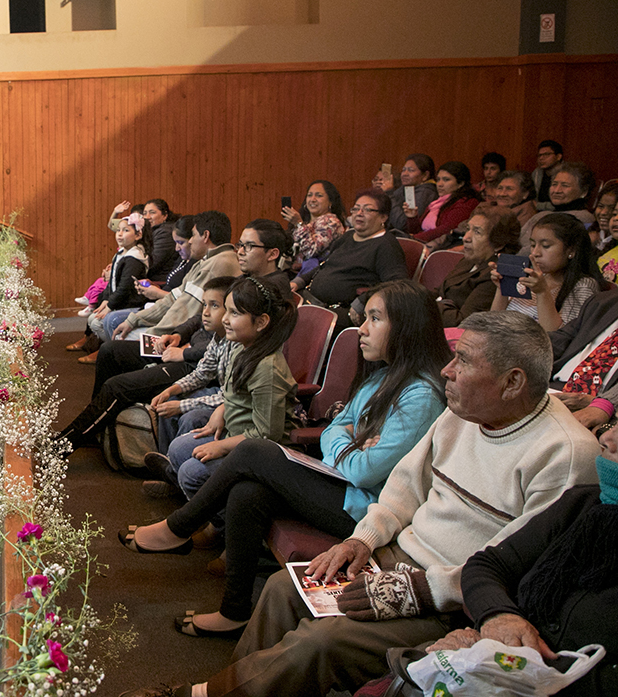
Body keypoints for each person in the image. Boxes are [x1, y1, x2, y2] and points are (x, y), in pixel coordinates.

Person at [120, 312, 599, 697]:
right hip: (395, 557)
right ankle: (230, 688)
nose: (447, 370)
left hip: (449, 599)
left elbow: (515, 564)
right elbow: (405, 487)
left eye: (464, 361)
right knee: (284, 590)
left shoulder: (565, 453)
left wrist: (417, 588)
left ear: (513, 382)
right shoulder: (464, 412)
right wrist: (363, 540)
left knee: (322, 642)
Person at [124, 281, 449, 638]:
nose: (363, 328)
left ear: (407, 326)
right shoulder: (384, 375)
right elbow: (332, 430)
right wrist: (351, 440)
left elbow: (364, 471)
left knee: (253, 451)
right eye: (366, 317)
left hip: (365, 509)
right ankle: (234, 610)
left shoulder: (422, 395)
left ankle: (178, 527)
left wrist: (348, 443)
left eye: (375, 318)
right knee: (248, 492)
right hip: (339, 483)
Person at [419, 425, 618, 697]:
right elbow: (486, 565)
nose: (606, 437)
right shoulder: (585, 502)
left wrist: (509, 659)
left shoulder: (564, 450)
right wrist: (498, 616)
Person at [142, 277, 299, 498]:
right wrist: (222, 409)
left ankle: (212, 517)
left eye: (234, 313)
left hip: (263, 452)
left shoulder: (267, 368)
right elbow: (232, 393)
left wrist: (222, 446)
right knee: (177, 451)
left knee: (190, 473)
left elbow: (266, 434)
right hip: (238, 434)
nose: (225, 318)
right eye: (226, 310)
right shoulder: (240, 347)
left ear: (261, 322)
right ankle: (186, 493)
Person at [56, 277, 237, 451]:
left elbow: (228, 395)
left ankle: (64, 444)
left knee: (116, 386)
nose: (206, 311)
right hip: (184, 349)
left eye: (214, 305)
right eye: (205, 304)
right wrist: (178, 335)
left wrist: (184, 353)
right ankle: (93, 424)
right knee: (110, 349)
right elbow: (197, 323)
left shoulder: (235, 341)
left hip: (188, 360)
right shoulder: (217, 336)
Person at [113, 211, 240, 342]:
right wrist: (134, 320)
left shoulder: (215, 264)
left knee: (116, 333)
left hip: (186, 336)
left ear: (206, 236)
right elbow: (173, 299)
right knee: (116, 326)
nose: (190, 241)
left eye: (193, 235)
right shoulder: (205, 261)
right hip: (177, 330)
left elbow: (185, 311)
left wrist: (150, 336)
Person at [292, 189, 409, 328]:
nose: (359, 213)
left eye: (367, 210)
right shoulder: (348, 236)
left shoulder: (386, 245)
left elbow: (396, 284)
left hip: (343, 310)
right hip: (311, 298)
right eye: (356, 208)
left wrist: (362, 302)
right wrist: (299, 281)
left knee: (295, 323)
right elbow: (326, 265)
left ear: (383, 217)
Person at [490, 212, 602, 332]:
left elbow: (560, 338)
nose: (535, 253)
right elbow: (492, 325)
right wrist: (502, 288)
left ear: (571, 250)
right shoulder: (531, 275)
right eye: (533, 245)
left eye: (546, 246)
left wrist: (542, 293)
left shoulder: (582, 286)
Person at [72, 213, 149, 357]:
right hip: (120, 302)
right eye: (118, 230)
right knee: (93, 319)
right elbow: (111, 282)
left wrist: (110, 306)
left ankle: (114, 351)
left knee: (100, 321)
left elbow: (124, 287)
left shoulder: (134, 258)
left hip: (131, 303)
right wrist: (106, 300)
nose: (119, 234)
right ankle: (110, 349)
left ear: (138, 235)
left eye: (126, 230)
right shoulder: (121, 254)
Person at [435, 204, 519, 327]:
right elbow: (439, 291)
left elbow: (463, 321)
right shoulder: (469, 260)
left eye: (477, 232)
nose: (465, 238)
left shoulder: (497, 274)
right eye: (468, 229)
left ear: (498, 243)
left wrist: (428, 305)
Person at [548, 286, 618, 431]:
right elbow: (557, 341)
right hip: (552, 389)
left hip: (600, 406)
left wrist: (602, 403)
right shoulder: (604, 302)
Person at [520, 161, 597, 253]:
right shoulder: (544, 214)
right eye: (554, 184)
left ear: (584, 192)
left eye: (565, 186)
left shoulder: (581, 218)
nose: (556, 190)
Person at [404, 161, 480, 249]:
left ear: (460, 184)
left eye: (446, 180)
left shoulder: (467, 202)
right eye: (438, 179)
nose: (439, 184)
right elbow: (417, 231)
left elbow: (446, 230)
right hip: (425, 246)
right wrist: (412, 217)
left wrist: (413, 239)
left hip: (443, 249)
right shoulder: (436, 203)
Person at [281, 180, 346, 275]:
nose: (313, 199)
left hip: (317, 276)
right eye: (309, 195)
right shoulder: (306, 221)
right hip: (295, 273)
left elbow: (310, 252)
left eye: (319, 196)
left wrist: (299, 224)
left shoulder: (331, 222)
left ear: (330, 202)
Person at [378, 155, 438, 234]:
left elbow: (402, 224)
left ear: (425, 175)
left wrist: (389, 193)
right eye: (403, 170)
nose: (404, 174)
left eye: (411, 170)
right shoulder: (408, 187)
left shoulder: (425, 192)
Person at [234, 219, 292, 293]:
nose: (240, 252)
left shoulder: (272, 290)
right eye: (240, 245)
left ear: (272, 254)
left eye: (250, 246)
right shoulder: (247, 280)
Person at [532, 139, 564, 210]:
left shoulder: (567, 173)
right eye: (539, 155)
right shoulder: (537, 173)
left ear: (558, 157)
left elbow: (564, 203)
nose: (541, 158)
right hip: (538, 212)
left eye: (546, 154)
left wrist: (538, 205)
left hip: (561, 212)